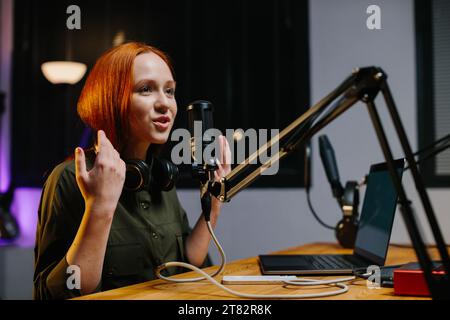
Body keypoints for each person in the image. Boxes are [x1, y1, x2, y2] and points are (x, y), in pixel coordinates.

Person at [33, 42, 231, 300]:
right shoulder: (69, 179)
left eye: (169, 91)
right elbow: (54, 295)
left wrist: (214, 201)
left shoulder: (160, 177)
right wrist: (100, 207)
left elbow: (189, 260)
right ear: (111, 99)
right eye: (146, 89)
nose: (165, 104)